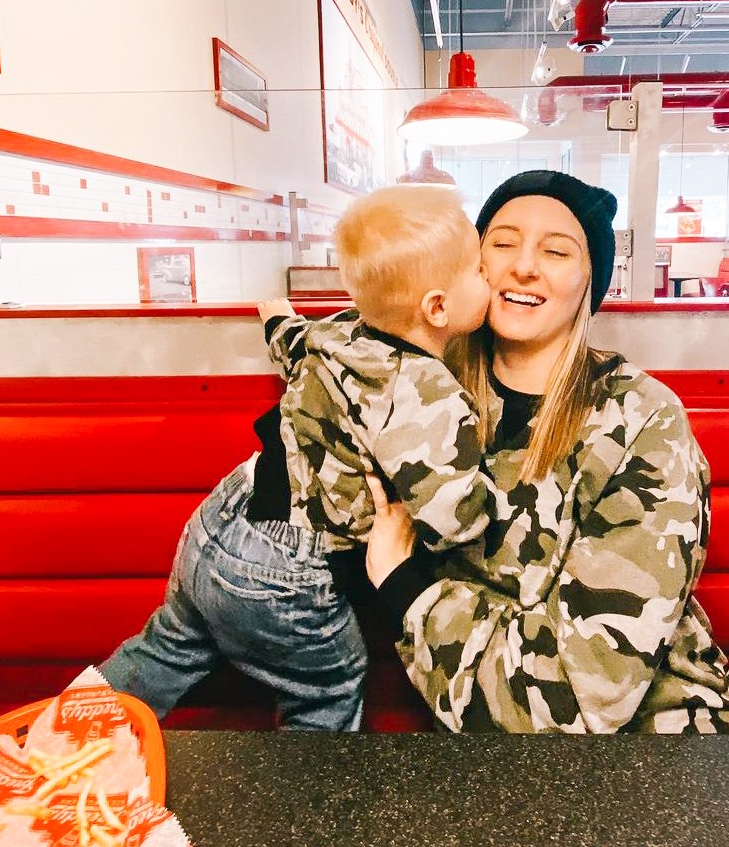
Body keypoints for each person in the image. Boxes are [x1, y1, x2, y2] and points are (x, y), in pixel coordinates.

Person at [365, 170, 729, 734]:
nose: (524, 266)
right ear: (472, 264)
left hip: (653, 741)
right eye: (502, 243)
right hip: (472, 738)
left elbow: (573, 699)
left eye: (557, 251)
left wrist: (405, 589)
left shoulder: (642, 421)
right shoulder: (420, 394)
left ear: (588, 282)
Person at [101, 185, 494, 727]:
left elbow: (293, 343)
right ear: (438, 307)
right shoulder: (429, 394)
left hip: (220, 519)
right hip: (283, 569)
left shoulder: (341, 330)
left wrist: (275, 317)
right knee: (328, 691)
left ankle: (55, 742)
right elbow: (457, 518)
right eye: (479, 270)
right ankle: (306, 787)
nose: (492, 278)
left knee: (163, 648)